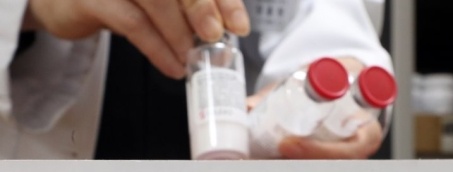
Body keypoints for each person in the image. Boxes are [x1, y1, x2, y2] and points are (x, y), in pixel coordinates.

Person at [0, 0, 392, 160]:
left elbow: (321, 20)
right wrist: (29, 9)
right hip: (42, 156)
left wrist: (339, 81)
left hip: (226, 166)